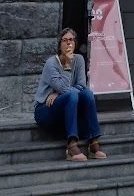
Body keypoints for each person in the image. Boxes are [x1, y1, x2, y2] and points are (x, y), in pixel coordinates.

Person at [34, 28, 106, 163]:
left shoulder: (79, 60)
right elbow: (63, 88)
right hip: (45, 109)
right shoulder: (51, 63)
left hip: (66, 104)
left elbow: (81, 86)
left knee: (87, 94)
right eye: (65, 40)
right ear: (59, 44)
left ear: (75, 43)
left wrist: (58, 93)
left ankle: (93, 142)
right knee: (71, 95)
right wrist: (67, 65)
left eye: (71, 40)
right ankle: (71, 146)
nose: (68, 43)